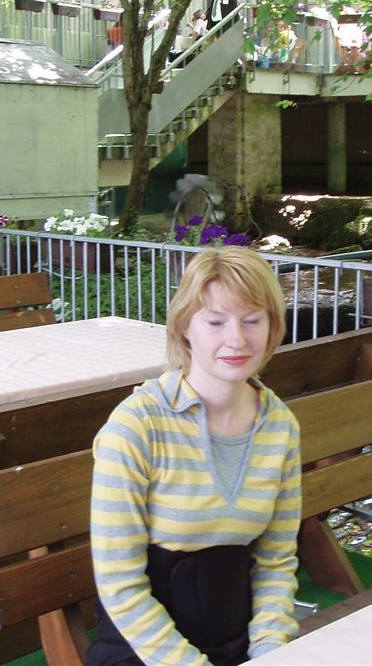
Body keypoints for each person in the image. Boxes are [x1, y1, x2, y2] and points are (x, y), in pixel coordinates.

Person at [88, 246, 301, 666]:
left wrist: (270, 650)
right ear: (185, 326)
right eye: (216, 321)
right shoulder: (137, 426)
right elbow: (119, 582)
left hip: (237, 643)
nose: (237, 339)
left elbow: (275, 561)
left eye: (252, 320)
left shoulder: (280, 426)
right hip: (142, 649)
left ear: (272, 326)